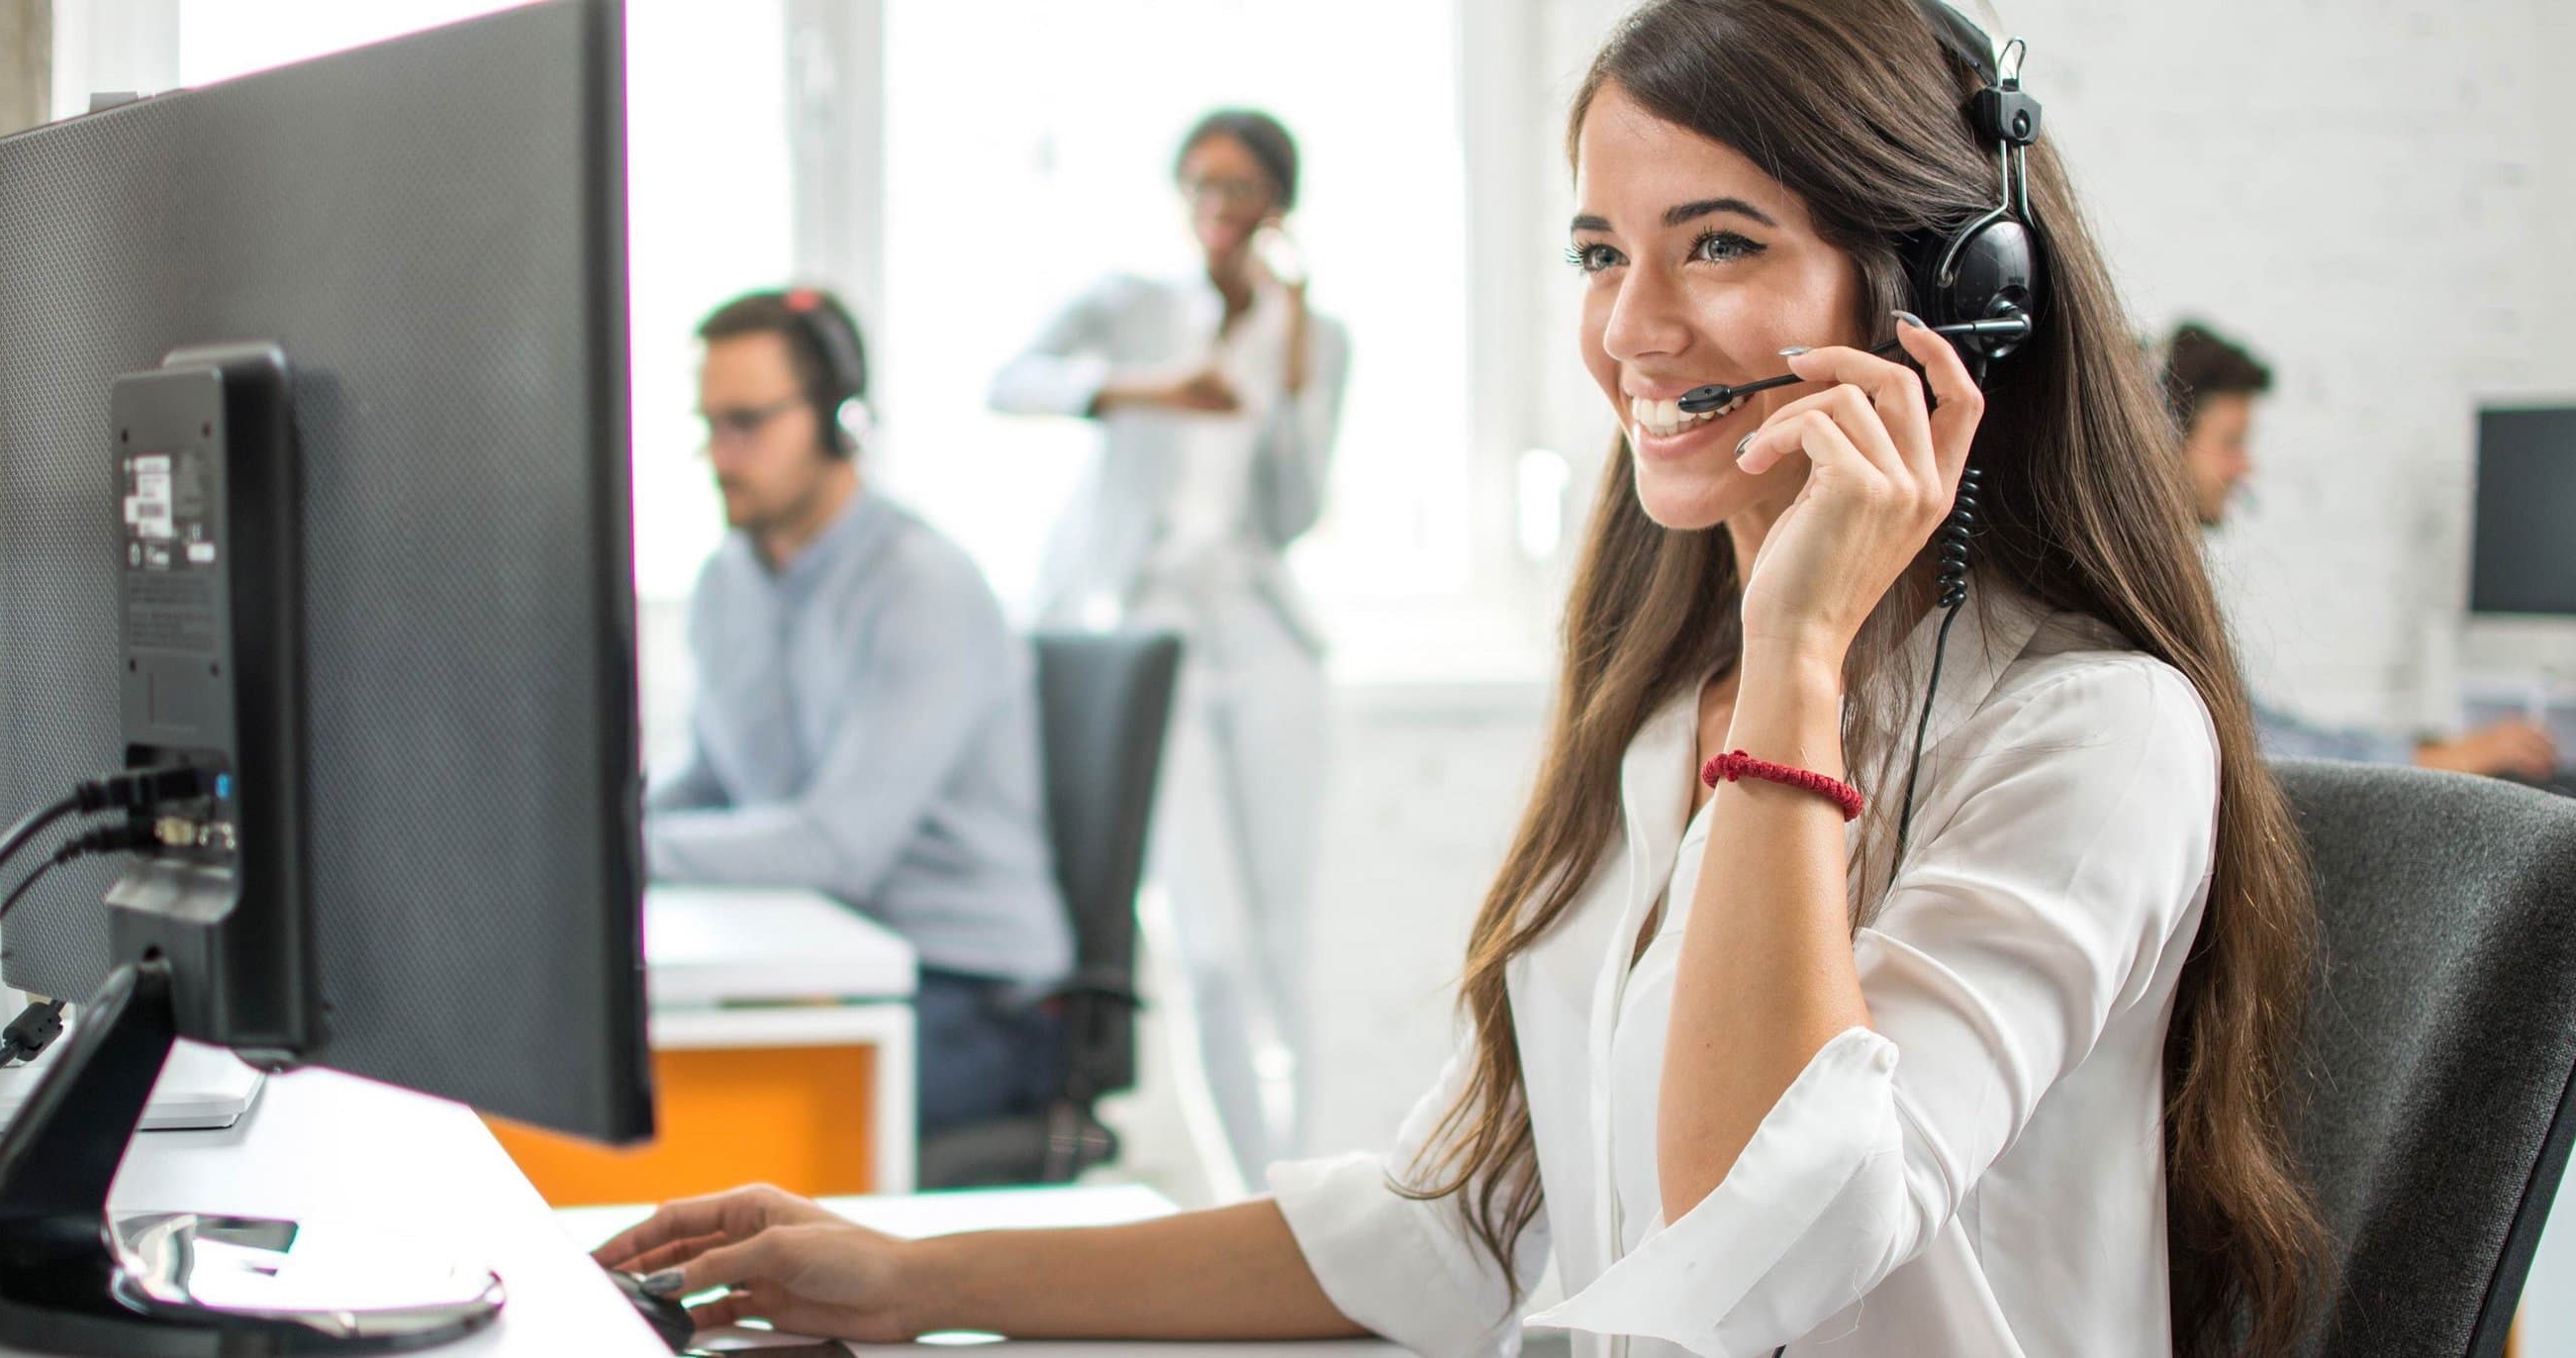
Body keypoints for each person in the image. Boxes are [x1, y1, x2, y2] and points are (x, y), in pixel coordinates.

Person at [598, 5, 2325, 1355]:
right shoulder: (1664, 715)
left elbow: (1762, 1245)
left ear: (1954, 300)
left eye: (1719, 244)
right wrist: (910, 1278)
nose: (1631, 330)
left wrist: (1796, 657)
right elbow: (1460, 1223)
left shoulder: (2092, 733)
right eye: (1600, 252)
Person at [987, 108, 1350, 1184]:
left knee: (1284, 943)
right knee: (1209, 948)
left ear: (1278, 204)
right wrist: (1145, 390)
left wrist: (1293, 365)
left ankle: (1299, 1190)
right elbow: (1009, 381)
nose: (1215, 207)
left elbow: (1293, 512)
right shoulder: (1130, 305)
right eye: (1199, 184)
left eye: (1238, 187)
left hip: (1261, 631)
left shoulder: (1316, 336)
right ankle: (1247, 1194)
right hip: (1146, 631)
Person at [646, 287, 1070, 1137]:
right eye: (709, 426)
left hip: (971, 995)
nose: (721, 456)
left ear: (841, 421)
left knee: (702, 1116)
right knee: (642, 1068)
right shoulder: (727, 581)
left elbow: (838, 848)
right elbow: (716, 781)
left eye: (747, 423)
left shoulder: (920, 586)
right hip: (824, 962)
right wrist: (593, 836)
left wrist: (626, 856)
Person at [2163, 320, 2560, 778]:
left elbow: (2268, 731)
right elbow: (2274, 757)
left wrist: (2433, 752)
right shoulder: (2158, 590)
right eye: (2231, 442)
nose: (2245, 466)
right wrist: (2448, 760)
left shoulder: (2175, 576)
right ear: (2163, 442)